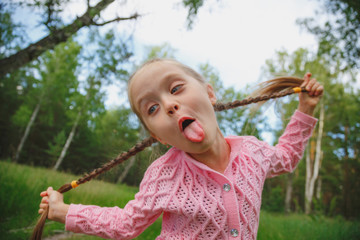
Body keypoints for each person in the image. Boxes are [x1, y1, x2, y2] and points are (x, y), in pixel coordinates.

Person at [38, 59, 323, 239]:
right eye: (152, 108)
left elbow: (286, 158)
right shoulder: (165, 176)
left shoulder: (253, 153)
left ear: (209, 94)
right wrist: (63, 211)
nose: (169, 105)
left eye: (175, 89)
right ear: (157, 136)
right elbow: (126, 224)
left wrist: (305, 109)